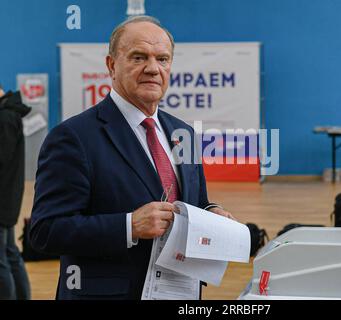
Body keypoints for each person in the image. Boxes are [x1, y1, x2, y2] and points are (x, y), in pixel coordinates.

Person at [30, 16, 235, 300]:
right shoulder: (74, 137)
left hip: (180, 292)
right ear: (112, 66)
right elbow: (45, 230)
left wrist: (211, 212)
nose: (153, 68)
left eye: (162, 59)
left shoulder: (182, 131)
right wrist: (129, 226)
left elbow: (196, 202)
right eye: (139, 57)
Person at [0, 84, 32, 299]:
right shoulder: (9, 115)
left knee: (2, 260)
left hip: (2, 199)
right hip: (7, 198)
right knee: (10, 253)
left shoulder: (5, 118)